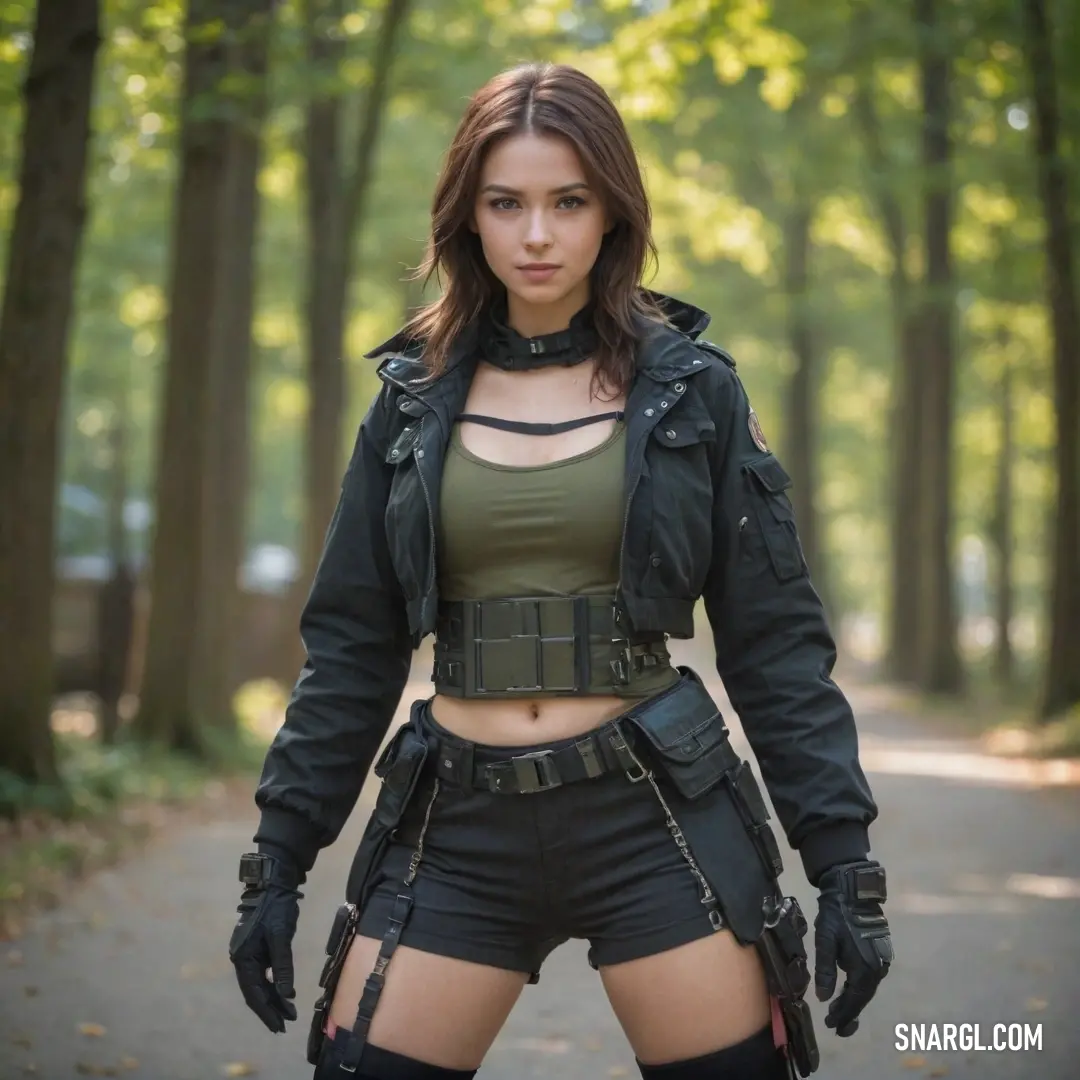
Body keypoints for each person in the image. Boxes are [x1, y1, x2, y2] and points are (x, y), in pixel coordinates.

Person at [228, 62, 893, 1080]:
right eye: (507, 203)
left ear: (612, 211)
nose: (536, 235)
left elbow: (776, 646)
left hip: (654, 816)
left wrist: (843, 864)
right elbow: (353, 649)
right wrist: (277, 859)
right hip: (454, 824)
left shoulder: (693, 394)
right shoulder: (411, 402)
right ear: (469, 216)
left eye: (568, 202)